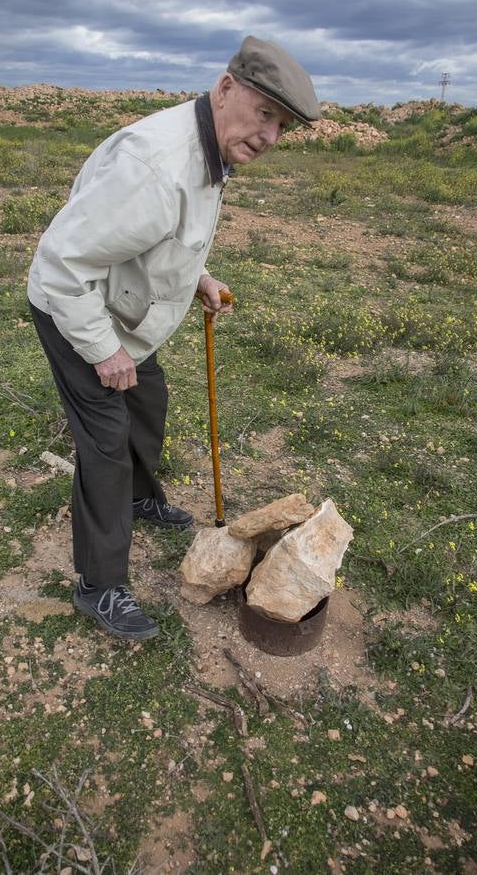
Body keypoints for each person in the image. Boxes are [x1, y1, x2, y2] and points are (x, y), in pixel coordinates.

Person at [27, 35, 319, 641]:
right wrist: (102, 349)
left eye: (282, 126)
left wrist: (200, 276)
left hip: (127, 310)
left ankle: (139, 498)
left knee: (147, 399)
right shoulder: (158, 166)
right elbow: (61, 263)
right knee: (106, 442)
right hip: (75, 309)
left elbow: (159, 236)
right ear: (225, 88)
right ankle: (99, 586)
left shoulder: (211, 149)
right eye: (264, 113)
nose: (269, 137)